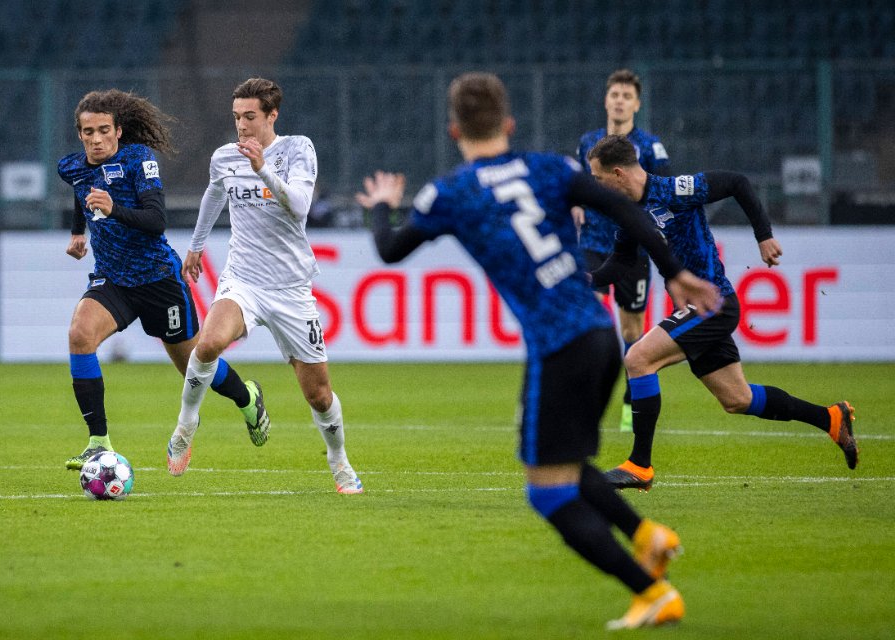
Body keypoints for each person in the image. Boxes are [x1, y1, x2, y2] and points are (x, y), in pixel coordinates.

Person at [357, 72, 722, 630]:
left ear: (454, 129)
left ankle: (651, 592)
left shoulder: (450, 192)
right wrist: (673, 273)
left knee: (546, 493)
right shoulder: (552, 168)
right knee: (564, 465)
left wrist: (383, 204)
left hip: (559, 347)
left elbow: (387, 250)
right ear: (509, 124)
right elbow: (628, 210)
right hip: (599, 337)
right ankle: (648, 536)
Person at [586, 133, 859, 491]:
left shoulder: (674, 190)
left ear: (618, 173)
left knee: (638, 359)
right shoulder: (630, 216)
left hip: (712, 304)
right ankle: (831, 418)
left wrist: (764, 235)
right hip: (695, 310)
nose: (595, 187)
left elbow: (736, 182)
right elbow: (621, 261)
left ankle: (640, 464)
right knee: (737, 399)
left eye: (598, 179)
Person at [167, 77, 363, 495]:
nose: (241, 125)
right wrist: (196, 247)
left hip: (291, 289)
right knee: (207, 344)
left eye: (250, 117)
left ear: (272, 116)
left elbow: (299, 207)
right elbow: (213, 195)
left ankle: (339, 460)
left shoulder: (297, 149)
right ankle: (186, 424)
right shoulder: (224, 157)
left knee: (319, 395)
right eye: (236, 117)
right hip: (244, 281)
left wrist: (262, 169)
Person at [57, 89, 200, 469]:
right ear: (80, 134)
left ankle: (246, 397)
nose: (96, 138)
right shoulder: (71, 166)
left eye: (104, 130)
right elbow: (81, 189)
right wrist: (78, 232)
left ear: (119, 131)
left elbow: (156, 222)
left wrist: (113, 208)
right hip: (113, 280)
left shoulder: (139, 160)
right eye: (88, 132)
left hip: (156, 278)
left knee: (196, 370)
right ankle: (98, 442)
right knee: (79, 334)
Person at [573, 69, 671, 432]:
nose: (619, 100)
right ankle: (584, 398)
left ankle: (633, 397)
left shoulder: (650, 146)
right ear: (606, 99)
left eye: (626, 96)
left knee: (632, 330)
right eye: (614, 93)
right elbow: (580, 183)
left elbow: (661, 190)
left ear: (637, 104)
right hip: (592, 243)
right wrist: (575, 203)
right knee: (588, 317)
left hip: (632, 248)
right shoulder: (588, 142)